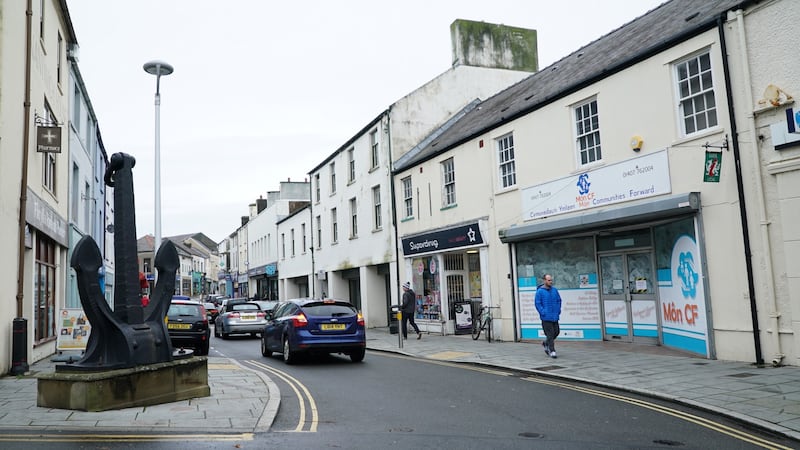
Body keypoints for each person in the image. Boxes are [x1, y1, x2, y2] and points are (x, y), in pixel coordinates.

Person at [535, 273, 562, 358]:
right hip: (546, 317)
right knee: (550, 334)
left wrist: (558, 310)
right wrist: (543, 312)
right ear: (544, 281)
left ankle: (546, 343)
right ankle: (552, 350)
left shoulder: (554, 290)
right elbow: (537, 303)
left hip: (554, 316)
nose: (551, 281)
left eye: (551, 280)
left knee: (556, 332)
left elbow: (559, 300)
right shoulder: (540, 291)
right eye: (549, 280)